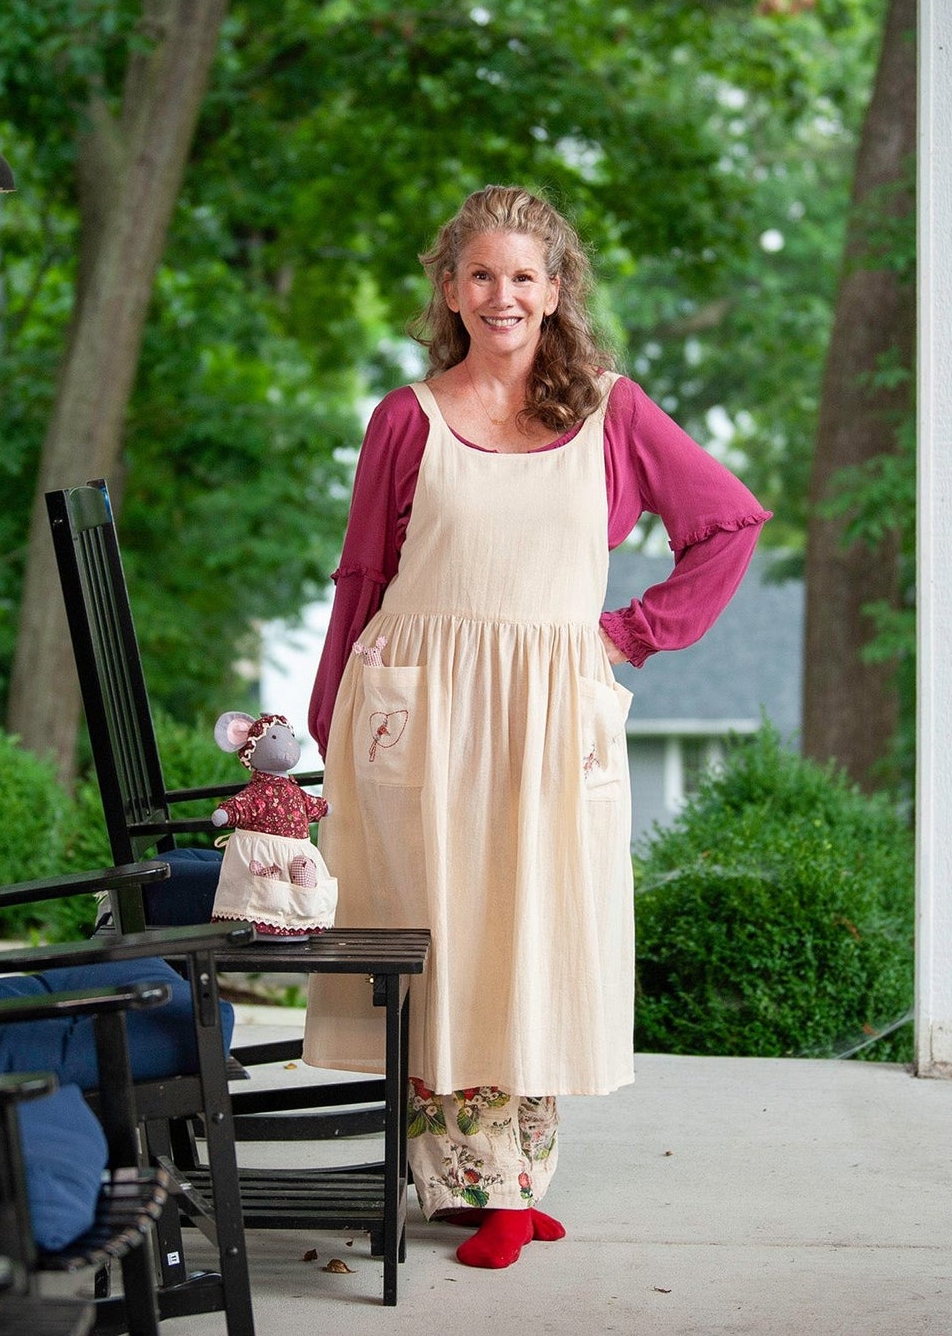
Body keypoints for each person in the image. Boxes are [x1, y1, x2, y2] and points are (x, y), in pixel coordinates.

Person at [302, 185, 769, 1271]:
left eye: (523, 276)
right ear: (450, 289)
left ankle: (508, 1176)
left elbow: (727, 522)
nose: (501, 295)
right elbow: (362, 576)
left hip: (549, 710)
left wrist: (629, 631)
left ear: (555, 291)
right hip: (416, 708)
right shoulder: (405, 418)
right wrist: (328, 722)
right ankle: (480, 1185)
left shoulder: (611, 411)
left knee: (534, 930)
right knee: (442, 937)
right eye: (480, 274)